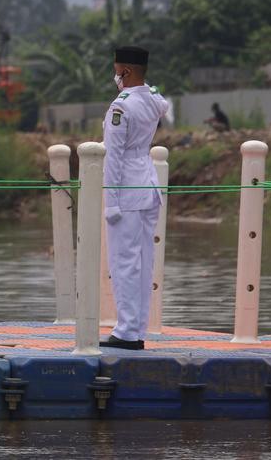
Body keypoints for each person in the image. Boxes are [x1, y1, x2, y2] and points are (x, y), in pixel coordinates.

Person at [100, 46, 171, 351]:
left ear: (125, 71)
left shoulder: (121, 107)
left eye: (117, 70)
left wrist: (110, 201)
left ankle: (127, 331)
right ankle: (136, 329)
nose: (115, 76)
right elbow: (160, 100)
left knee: (124, 262)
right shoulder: (152, 100)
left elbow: (113, 157)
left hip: (127, 190)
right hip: (148, 186)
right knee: (143, 263)